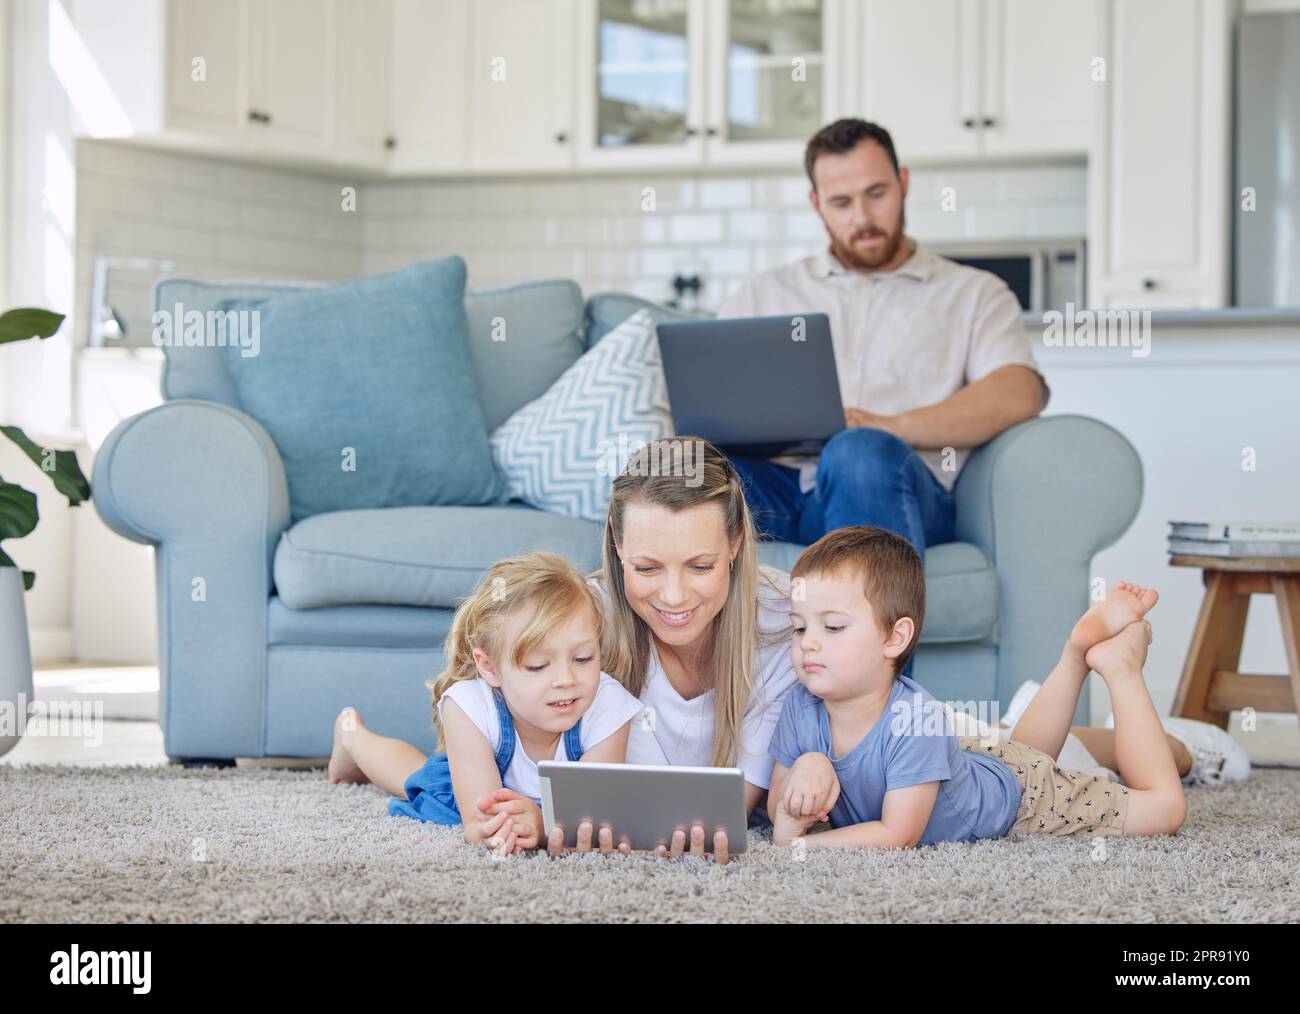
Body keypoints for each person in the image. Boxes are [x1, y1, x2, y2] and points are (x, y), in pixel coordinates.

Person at [717, 118, 1047, 557]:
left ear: (903, 183)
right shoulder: (763, 292)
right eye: (841, 202)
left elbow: (1020, 392)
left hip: (896, 487)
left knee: (858, 452)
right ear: (817, 205)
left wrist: (887, 427)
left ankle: (880, 624)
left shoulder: (973, 292)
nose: (863, 218)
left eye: (877, 194)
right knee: (687, 470)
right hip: (779, 490)